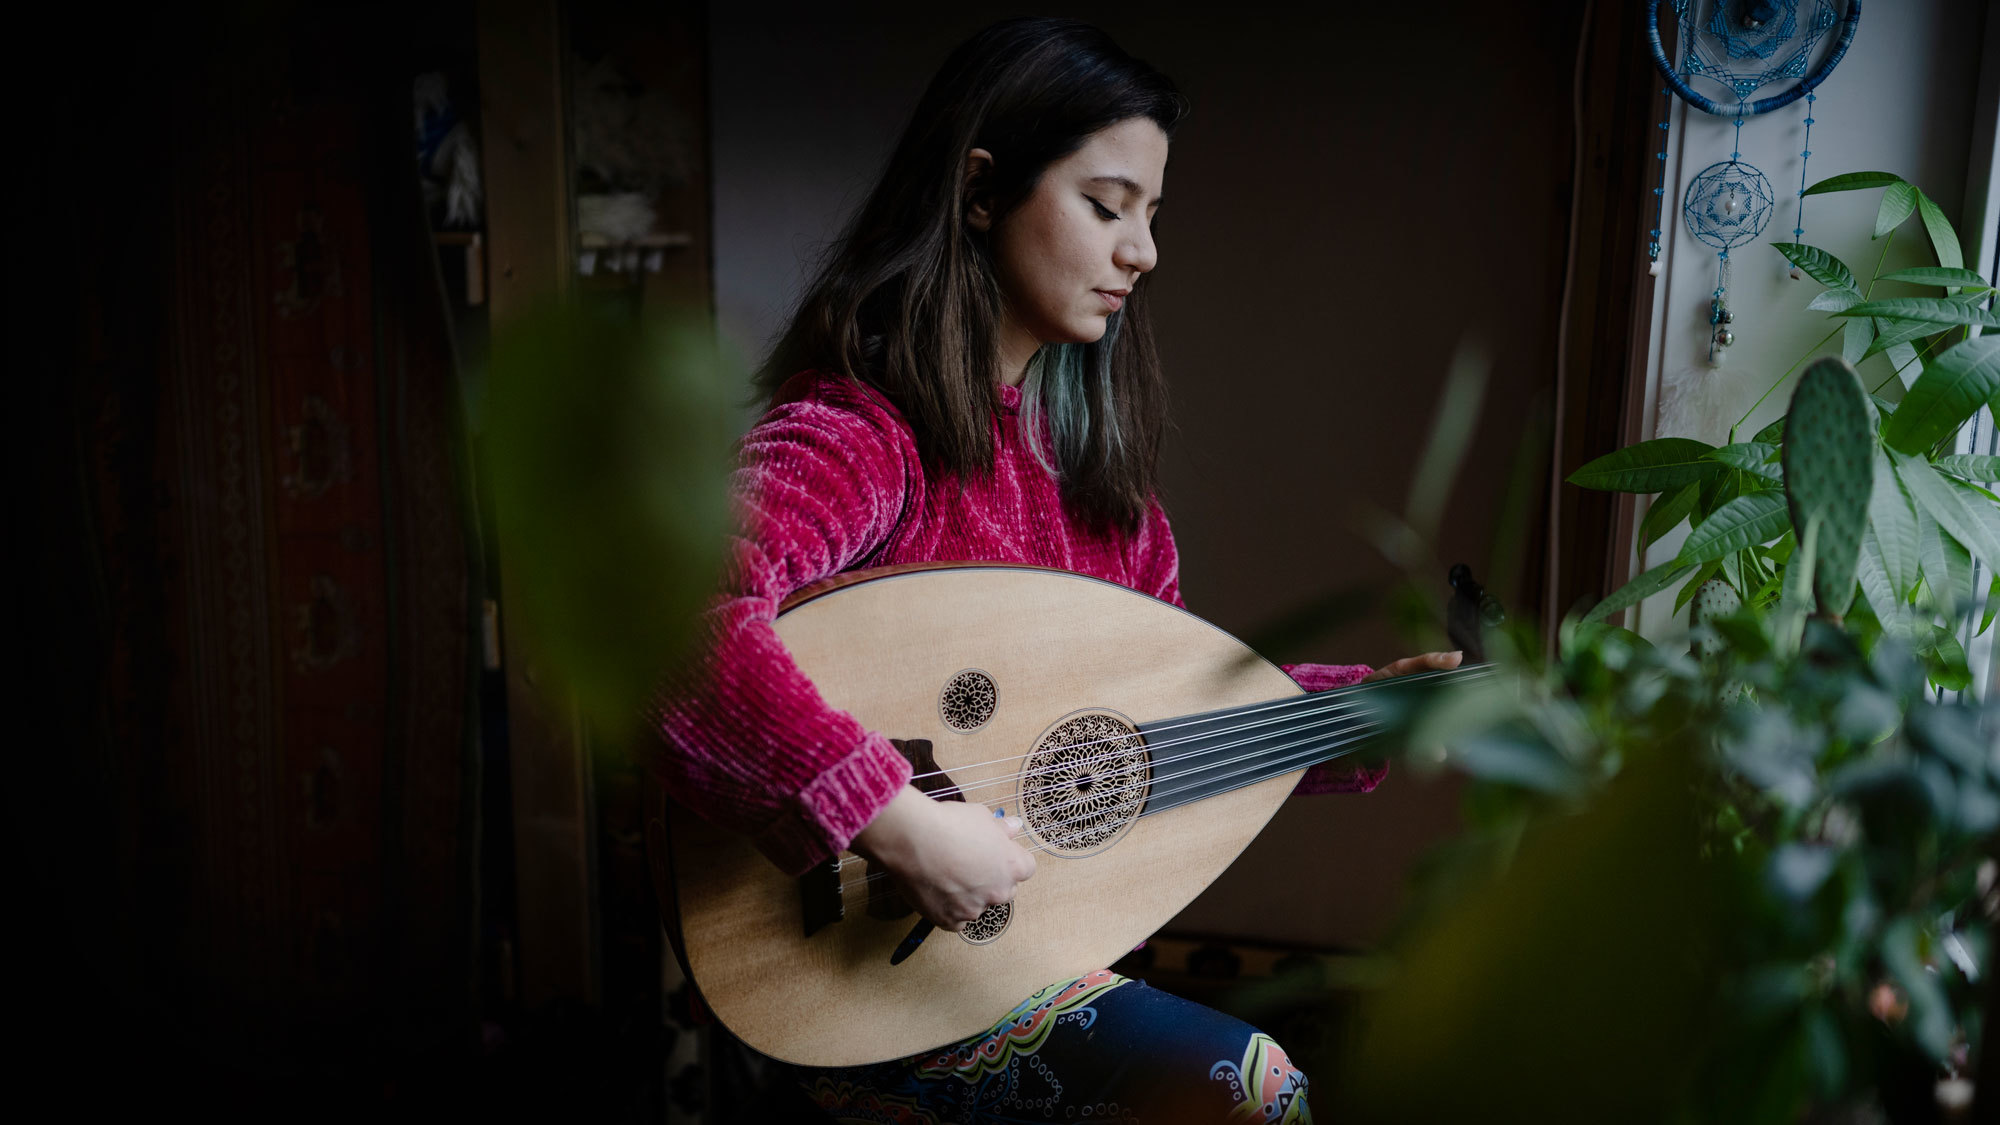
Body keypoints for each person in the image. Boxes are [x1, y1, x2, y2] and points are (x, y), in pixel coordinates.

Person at [656, 17, 1459, 1123]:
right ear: (980, 193)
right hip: (866, 989)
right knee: (1251, 1089)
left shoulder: (1102, 499)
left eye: (1152, 214)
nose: (1144, 252)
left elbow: (1147, 729)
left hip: (1041, 963)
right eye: (1106, 204)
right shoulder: (859, 437)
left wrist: (1360, 716)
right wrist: (892, 817)